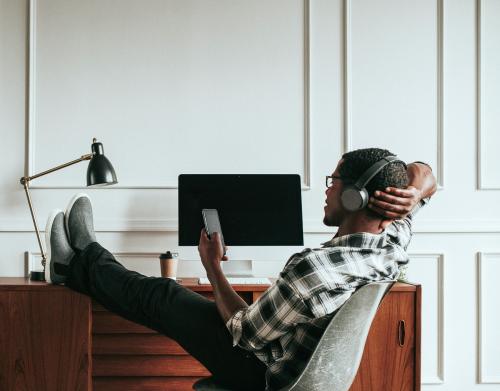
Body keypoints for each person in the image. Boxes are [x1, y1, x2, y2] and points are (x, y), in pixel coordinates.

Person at [44, 148, 437, 391]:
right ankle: (77, 263)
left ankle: (78, 260)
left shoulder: (311, 269)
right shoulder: (391, 243)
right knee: (164, 296)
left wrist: (213, 268)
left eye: (333, 181)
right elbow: (426, 176)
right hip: (301, 370)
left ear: (356, 196)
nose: (327, 188)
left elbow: (243, 333)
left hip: (264, 375)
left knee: (162, 295)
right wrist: (416, 192)